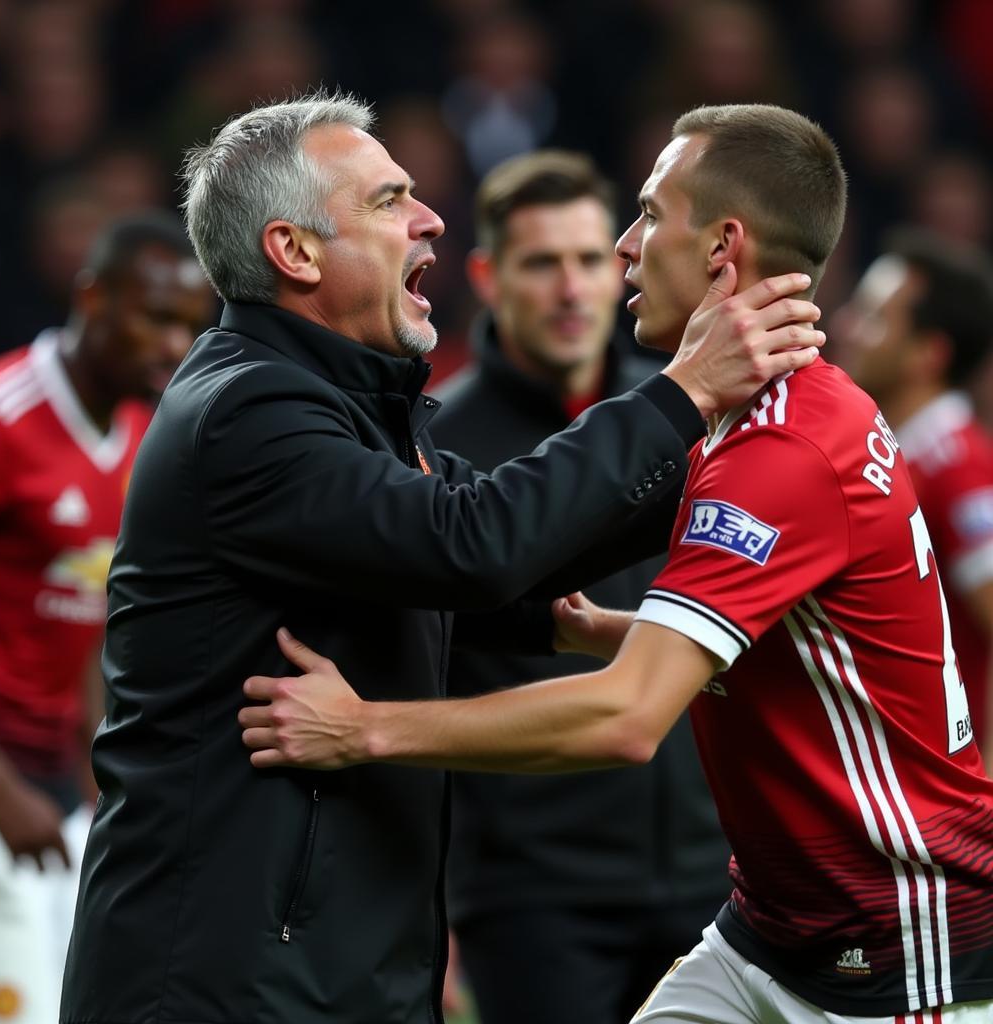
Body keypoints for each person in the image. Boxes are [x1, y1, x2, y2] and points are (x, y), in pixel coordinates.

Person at [59, 91, 825, 1024]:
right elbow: (472, 544)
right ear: (293, 252)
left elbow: (499, 552)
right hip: (222, 978)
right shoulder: (245, 414)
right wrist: (683, 397)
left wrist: (748, 451)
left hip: (337, 960)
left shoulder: (353, 406)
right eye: (387, 202)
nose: (428, 218)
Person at [241, 103, 993, 1024]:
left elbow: (630, 718)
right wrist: (601, 630)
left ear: (723, 245)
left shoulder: (783, 450)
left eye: (647, 214)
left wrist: (366, 729)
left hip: (896, 940)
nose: (627, 246)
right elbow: (804, 651)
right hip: (769, 932)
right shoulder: (774, 415)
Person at [431, 149, 731, 1024]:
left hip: (714, 876)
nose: (572, 289)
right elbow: (415, 663)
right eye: (541, 262)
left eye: (591, 259)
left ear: (622, 265)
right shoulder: (435, 445)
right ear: (488, 277)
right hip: (530, 896)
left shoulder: (694, 415)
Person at [0, 211, 211, 1024]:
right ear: (92, 296)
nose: (173, 345)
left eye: (189, 325)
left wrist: (99, 771)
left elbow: (92, 618)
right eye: (154, 316)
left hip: (55, 797)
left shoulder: (145, 436)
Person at [837, 228, 993, 775]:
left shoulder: (960, 468)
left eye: (875, 317)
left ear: (929, 354)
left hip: (945, 794)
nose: (847, 327)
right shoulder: (902, 456)